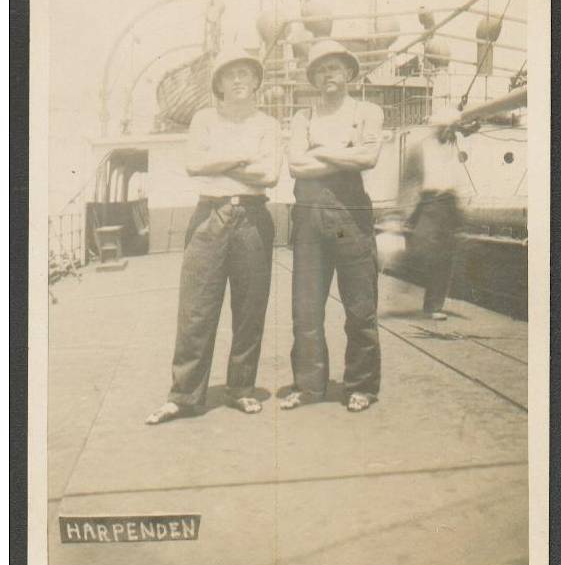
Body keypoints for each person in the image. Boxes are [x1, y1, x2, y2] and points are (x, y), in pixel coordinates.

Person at [146, 48, 282, 424]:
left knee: (250, 307)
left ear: (256, 82)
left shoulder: (267, 124)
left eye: (245, 74)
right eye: (230, 75)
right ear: (218, 84)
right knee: (197, 308)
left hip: (253, 217)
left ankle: (241, 389)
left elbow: (270, 175)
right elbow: (194, 165)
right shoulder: (204, 118)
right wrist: (243, 160)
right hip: (209, 215)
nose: (238, 80)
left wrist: (221, 160)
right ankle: (184, 395)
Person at [281, 39, 384, 413]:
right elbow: (295, 166)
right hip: (310, 218)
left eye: (335, 67)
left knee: (359, 305)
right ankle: (309, 386)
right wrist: (344, 154)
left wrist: (319, 152)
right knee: (306, 307)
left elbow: (368, 157)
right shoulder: (302, 118)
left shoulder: (367, 111)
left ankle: (361, 385)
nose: (329, 74)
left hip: (347, 220)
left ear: (349, 73)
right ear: (313, 76)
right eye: (322, 68)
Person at [400, 109, 463, 321]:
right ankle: (408, 283)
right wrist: (404, 211)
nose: (449, 131)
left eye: (451, 128)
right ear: (437, 128)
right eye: (445, 127)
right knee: (423, 249)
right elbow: (409, 180)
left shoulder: (456, 143)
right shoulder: (421, 148)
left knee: (445, 256)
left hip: (449, 203)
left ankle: (434, 305)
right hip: (428, 202)